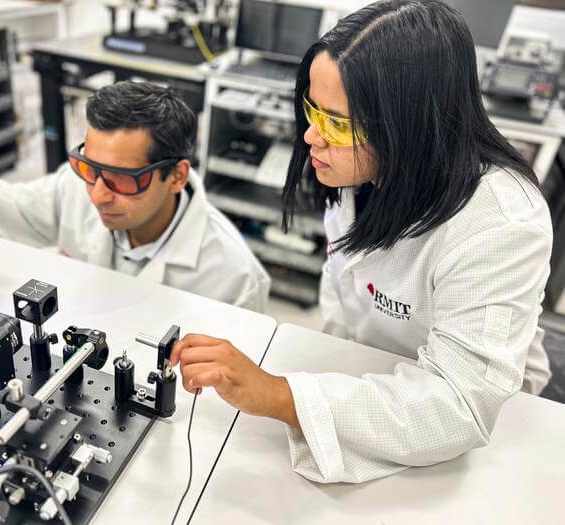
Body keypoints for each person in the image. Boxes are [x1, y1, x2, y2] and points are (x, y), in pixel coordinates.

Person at [170, 0, 553, 484]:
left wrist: (282, 396)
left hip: (487, 430)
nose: (311, 135)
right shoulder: (359, 169)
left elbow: (459, 406)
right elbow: (345, 287)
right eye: (313, 108)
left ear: (410, 124)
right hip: (372, 377)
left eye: (337, 123)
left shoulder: (499, 224)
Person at [0, 81, 270, 312]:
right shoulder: (75, 186)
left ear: (176, 176)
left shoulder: (235, 279)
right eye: (89, 167)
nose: (97, 195)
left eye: (122, 179)